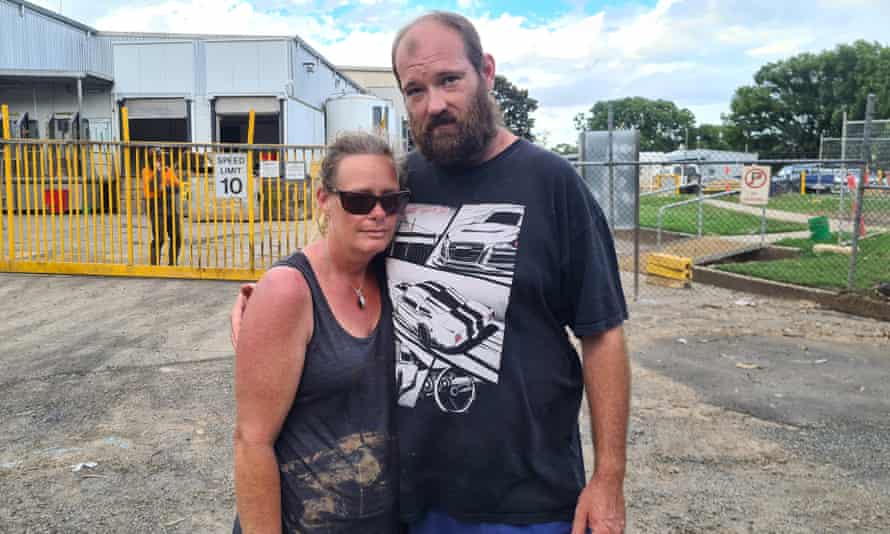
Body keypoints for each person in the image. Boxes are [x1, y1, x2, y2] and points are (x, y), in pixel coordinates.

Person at [232, 11, 631, 534]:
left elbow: (602, 335)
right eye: (415, 89)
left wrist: (609, 479)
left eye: (449, 80)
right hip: (411, 498)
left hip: (529, 499)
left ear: (486, 71)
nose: (434, 104)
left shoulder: (554, 183)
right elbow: (343, 260)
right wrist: (268, 297)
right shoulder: (402, 186)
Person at [232, 132, 409, 533]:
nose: (378, 212)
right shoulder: (290, 290)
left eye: (391, 200)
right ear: (324, 200)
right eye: (359, 200)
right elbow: (251, 441)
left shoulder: (393, 275)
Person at [141, 148, 183, 266]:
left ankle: (173, 264)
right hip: (155, 205)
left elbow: (178, 187)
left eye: (162, 158)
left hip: (169, 204)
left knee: (177, 236)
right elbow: (152, 188)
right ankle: (155, 266)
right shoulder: (146, 171)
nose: (161, 160)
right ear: (151, 160)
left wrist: (165, 188)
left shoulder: (168, 170)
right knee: (159, 237)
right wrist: (158, 171)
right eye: (158, 158)